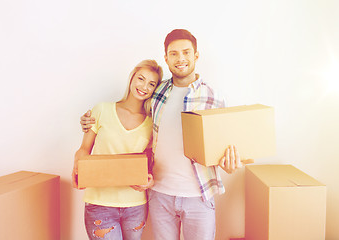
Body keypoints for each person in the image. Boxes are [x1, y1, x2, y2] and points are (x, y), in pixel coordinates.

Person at [80, 29, 242, 240]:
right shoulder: (157, 92)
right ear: (166, 58)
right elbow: (132, 116)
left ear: (196, 55)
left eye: (186, 52)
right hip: (160, 194)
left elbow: (224, 146)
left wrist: (228, 164)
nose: (180, 58)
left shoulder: (214, 98)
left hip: (198, 196)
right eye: (173, 53)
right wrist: (87, 121)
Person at [73, 59, 163, 240]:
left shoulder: (151, 124)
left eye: (151, 84)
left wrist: (150, 181)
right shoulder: (101, 110)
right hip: (99, 204)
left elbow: (150, 163)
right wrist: (77, 169)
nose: (144, 86)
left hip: (135, 206)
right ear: (132, 79)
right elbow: (83, 149)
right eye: (141, 79)